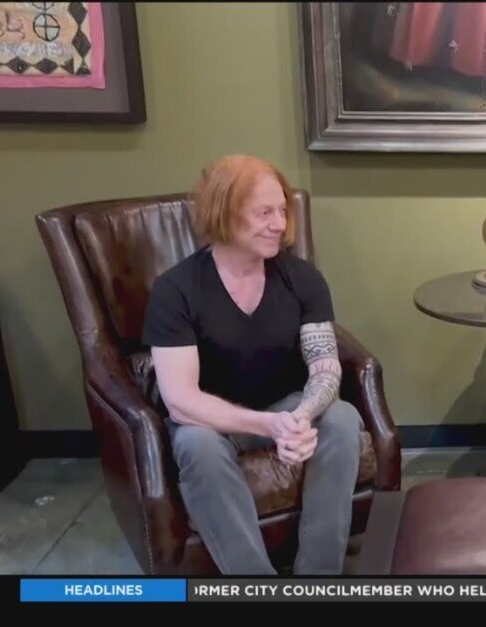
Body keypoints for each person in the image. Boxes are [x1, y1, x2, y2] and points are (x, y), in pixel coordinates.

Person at [142, 154, 363, 575]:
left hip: (286, 405)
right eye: (264, 213)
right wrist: (268, 426)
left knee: (343, 418)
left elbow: (325, 365)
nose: (280, 224)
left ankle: (318, 578)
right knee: (195, 445)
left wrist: (301, 416)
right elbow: (181, 401)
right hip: (213, 421)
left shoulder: (302, 278)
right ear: (224, 213)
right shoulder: (176, 290)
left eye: (282, 210)